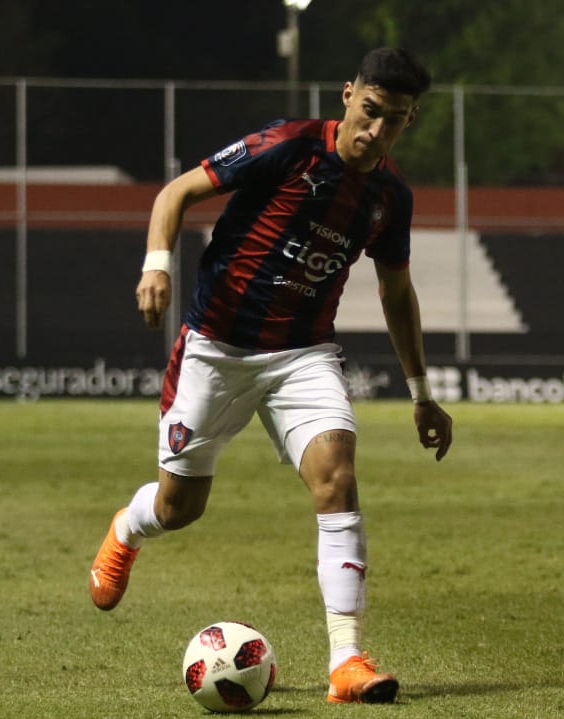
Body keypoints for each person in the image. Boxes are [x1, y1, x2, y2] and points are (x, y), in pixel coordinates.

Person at [88, 47, 453, 704]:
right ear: (347, 96)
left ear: (408, 121)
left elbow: (397, 292)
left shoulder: (389, 196)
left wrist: (422, 393)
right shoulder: (286, 146)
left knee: (337, 477)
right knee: (180, 507)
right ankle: (127, 527)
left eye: (394, 120)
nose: (376, 130)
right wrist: (155, 265)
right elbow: (178, 191)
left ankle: (346, 660)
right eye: (370, 111)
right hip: (215, 350)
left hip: (302, 354)